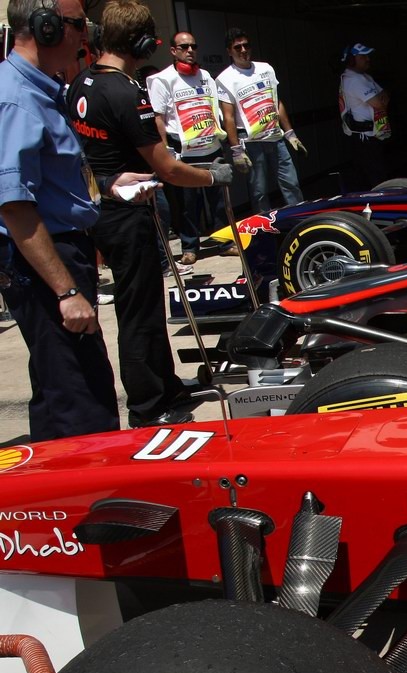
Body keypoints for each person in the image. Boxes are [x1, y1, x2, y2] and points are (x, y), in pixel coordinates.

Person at [68, 0, 234, 428]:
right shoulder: (127, 91)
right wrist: (214, 177)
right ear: (143, 42)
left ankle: (164, 386)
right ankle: (147, 405)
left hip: (101, 206)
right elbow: (167, 168)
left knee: (144, 301)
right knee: (138, 309)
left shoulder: (82, 82)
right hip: (128, 212)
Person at [0, 0, 119, 441]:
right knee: (80, 398)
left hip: (61, 248)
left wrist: (106, 185)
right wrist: (66, 291)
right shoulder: (16, 99)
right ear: (46, 28)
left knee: (60, 387)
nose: (84, 36)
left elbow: (48, 180)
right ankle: (86, 501)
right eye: (77, 25)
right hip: (46, 259)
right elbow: (14, 206)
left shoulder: (42, 89)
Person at [148, 30, 229, 268]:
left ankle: (225, 241)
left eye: (193, 46)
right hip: (182, 151)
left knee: (219, 200)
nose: (190, 50)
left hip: (211, 146)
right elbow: (159, 118)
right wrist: (164, 150)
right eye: (184, 47)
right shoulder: (163, 80)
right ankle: (190, 247)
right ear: (173, 51)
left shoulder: (205, 76)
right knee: (186, 204)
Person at [216, 27, 305, 213]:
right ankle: (264, 230)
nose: (243, 50)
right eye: (237, 47)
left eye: (246, 45)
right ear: (229, 51)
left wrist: (290, 133)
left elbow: (276, 101)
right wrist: (236, 151)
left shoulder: (266, 68)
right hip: (251, 144)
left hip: (276, 138)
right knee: (259, 192)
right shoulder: (225, 78)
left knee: (292, 184)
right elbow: (228, 117)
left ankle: (300, 219)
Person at [338, 43, 390, 190]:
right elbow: (379, 102)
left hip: (373, 134)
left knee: (375, 175)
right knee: (376, 178)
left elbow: (385, 97)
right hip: (364, 138)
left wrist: (381, 98)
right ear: (352, 60)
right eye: (363, 57)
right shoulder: (354, 79)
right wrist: (381, 98)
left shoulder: (364, 77)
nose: (367, 59)